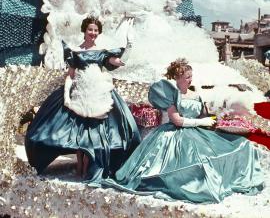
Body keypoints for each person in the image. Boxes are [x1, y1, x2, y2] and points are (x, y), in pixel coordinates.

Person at [102, 58, 264, 203]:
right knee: (195, 163)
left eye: (191, 76)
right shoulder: (172, 95)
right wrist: (201, 121)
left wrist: (218, 119)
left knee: (237, 146)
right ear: (177, 78)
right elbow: (177, 120)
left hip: (196, 132)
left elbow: (205, 115)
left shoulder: (195, 94)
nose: (190, 79)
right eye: (187, 77)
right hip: (174, 136)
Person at [25, 16, 141, 184]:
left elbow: (120, 62)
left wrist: (130, 44)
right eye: (90, 29)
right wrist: (66, 94)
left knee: (94, 132)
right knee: (78, 130)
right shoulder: (75, 51)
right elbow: (71, 76)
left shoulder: (102, 51)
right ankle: (79, 166)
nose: (93, 33)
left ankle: (89, 166)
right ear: (85, 30)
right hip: (80, 94)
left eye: (96, 30)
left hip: (98, 94)